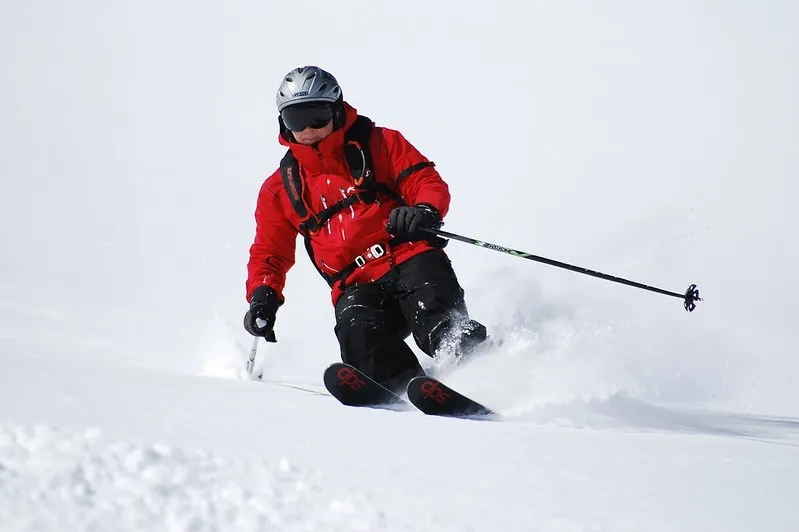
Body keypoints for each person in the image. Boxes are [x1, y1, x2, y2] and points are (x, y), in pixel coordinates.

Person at [244, 65, 486, 393]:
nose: (309, 129)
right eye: (296, 119)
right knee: (358, 334)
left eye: (317, 116)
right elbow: (269, 253)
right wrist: (263, 296)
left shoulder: (380, 143)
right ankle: (399, 390)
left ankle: (479, 374)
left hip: (410, 256)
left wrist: (423, 211)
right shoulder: (280, 189)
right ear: (282, 122)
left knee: (439, 321)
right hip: (355, 284)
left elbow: (424, 180)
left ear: (336, 110)